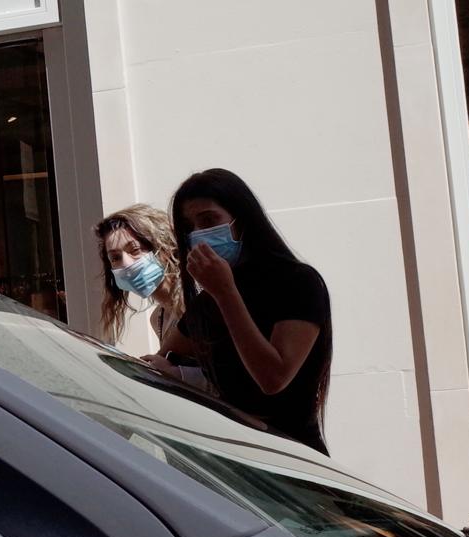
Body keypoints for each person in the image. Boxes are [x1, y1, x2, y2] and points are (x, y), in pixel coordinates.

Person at [145, 168, 332, 454]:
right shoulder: (209, 300)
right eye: (188, 227)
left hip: (292, 455)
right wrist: (177, 373)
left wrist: (226, 293)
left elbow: (273, 378)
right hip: (236, 455)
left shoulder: (297, 283)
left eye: (209, 220)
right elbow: (166, 357)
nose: (199, 234)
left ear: (242, 220)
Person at [94, 204, 184, 347]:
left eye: (134, 250)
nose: (126, 264)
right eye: (115, 258)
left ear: (163, 247)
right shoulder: (158, 319)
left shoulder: (193, 301)